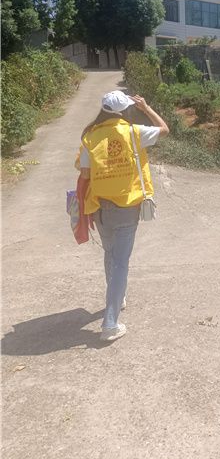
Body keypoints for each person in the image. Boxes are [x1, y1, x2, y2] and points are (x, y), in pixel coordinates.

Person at [78, 90, 169, 342]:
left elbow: (85, 174)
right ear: (124, 111)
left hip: (99, 206)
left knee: (110, 254)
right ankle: (110, 323)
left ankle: (119, 296)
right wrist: (146, 108)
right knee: (120, 262)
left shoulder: (90, 135)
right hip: (127, 208)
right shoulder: (134, 132)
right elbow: (164, 129)